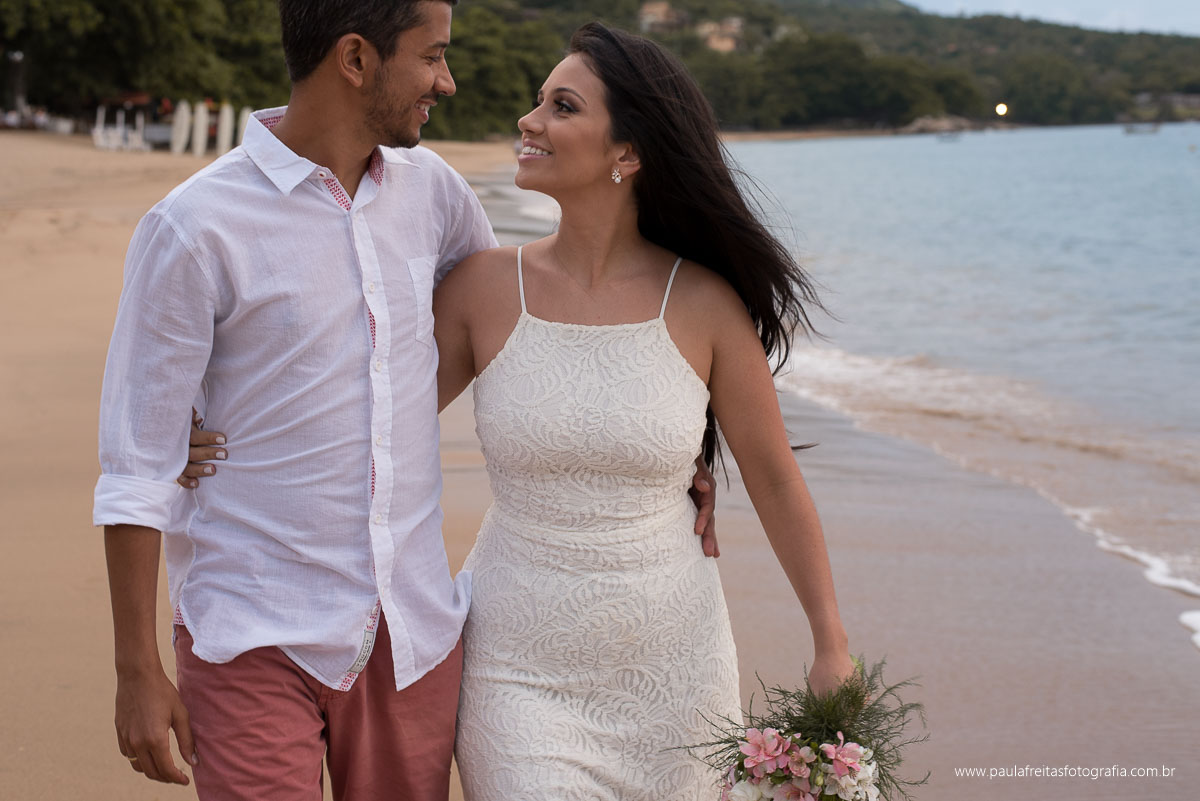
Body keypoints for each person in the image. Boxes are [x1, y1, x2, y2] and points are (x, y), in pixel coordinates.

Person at [432, 23, 855, 799]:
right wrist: (206, 434)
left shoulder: (704, 305)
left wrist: (831, 640)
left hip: (677, 676)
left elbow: (775, 479)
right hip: (517, 668)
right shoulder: (482, 289)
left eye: (560, 107)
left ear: (627, 153)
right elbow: (367, 425)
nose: (529, 121)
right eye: (538, 101)